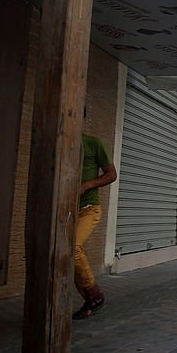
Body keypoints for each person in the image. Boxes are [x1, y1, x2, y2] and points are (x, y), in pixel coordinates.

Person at [73, 133, 117, 320]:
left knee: (72, 248)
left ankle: (94, 293)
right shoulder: (57, 140)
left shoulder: (93, 143)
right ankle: (89, 300)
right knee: (69, 257)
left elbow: (112, 174)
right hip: (65, 210)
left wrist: (87, 185)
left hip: (89, 209)